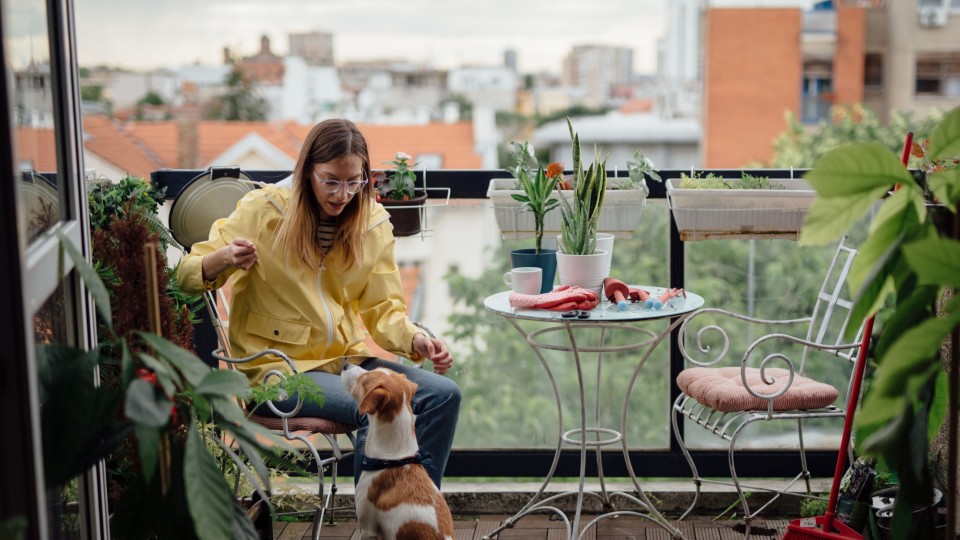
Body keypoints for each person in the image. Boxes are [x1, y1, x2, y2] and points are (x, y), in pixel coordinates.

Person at [177, 118, 460, 487]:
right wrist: (226, 258)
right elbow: (184, 273)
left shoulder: (371, 223)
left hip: (343, 363)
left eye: (353, 181)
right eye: (330, 180)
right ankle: (376, 522)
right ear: (307, 171)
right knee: (377, 407)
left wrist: (414, 339)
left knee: (442, 395)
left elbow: (384, 310)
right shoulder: (264, 210)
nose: (342, 194)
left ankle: (417, 511)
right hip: (277, 371)